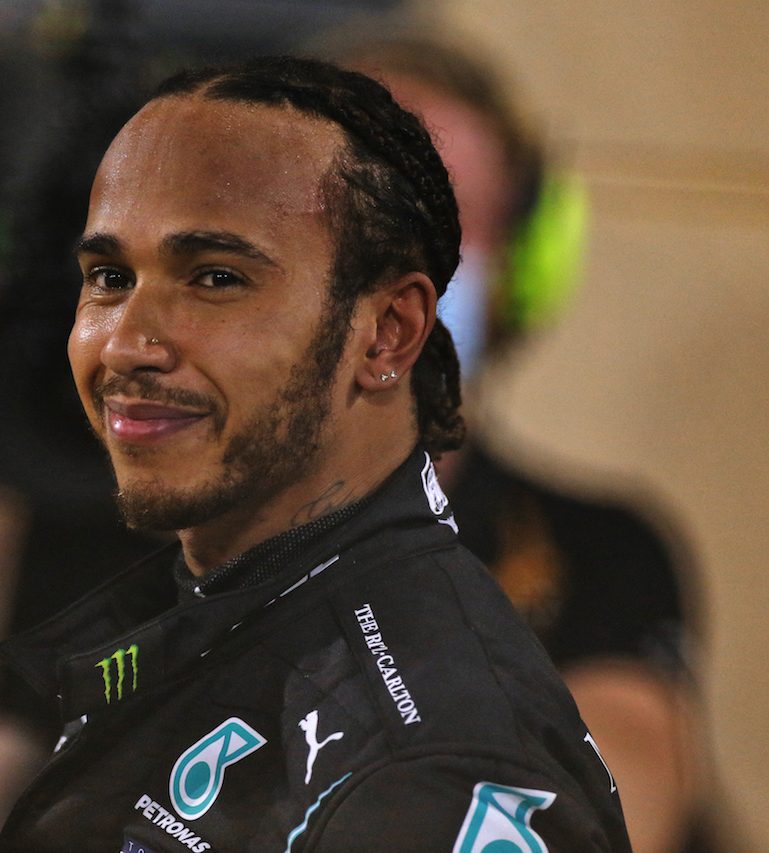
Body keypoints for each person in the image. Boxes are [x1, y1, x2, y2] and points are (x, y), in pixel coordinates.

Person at [0, 56, 633, 852]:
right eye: (108, 277)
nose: (127, 340)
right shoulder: (191, 616)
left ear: (388, 333)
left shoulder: (443, 756)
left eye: (216, 277)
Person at [327, 36, 717, 853]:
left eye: (449, 224)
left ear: (521, 268)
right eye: (357, 219)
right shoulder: (127, 529)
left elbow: (602, 815)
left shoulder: (599, 551)